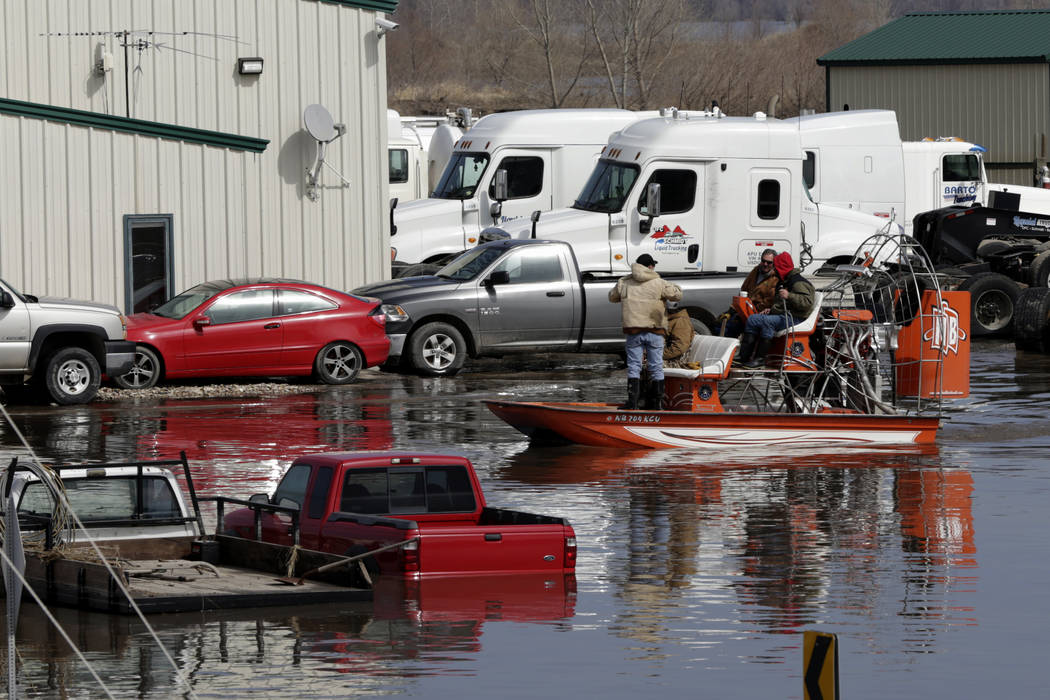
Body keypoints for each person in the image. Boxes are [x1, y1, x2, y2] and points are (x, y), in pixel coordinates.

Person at [609, 253, 682, 410]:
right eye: (653, 265)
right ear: (650, 266)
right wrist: (675, 287)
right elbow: (677, 295)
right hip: (655, 330)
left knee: (634, 366)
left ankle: (632, 403)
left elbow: (612, 297)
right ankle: (657, 405)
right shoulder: (659, 282)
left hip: (633, 331)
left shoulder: (624, 281)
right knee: (656, 366)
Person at [737, 251, 815, 368]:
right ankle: (744, 357)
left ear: (781, 268)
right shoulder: (785, 281)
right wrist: (771, 310)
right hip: (786, 315)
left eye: (775, 267)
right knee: (753, 319)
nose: (774, 270)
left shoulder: (798, 282)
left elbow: (807, 303)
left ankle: (760, 359)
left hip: (796, 318)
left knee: (768, 322)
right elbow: (781, 304)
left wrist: (789, 295)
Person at [720, 248, 779, 337]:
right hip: (745, 308)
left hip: (758, 313)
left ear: (774, 263)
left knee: (732, 327)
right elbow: (744, 289)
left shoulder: (775, 279)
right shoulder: (756, 271)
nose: (765, 264)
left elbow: (768, 302)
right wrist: (732, 310)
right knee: (721, 323)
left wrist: (749, 310)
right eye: (763, 261)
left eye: (769, 262)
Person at [662, 300, 695, 369]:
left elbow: (679, 348)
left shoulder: (681, 322)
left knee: (638, 364)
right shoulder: (669, 319)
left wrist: (655, 354)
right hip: (663, 355)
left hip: (674, 361)